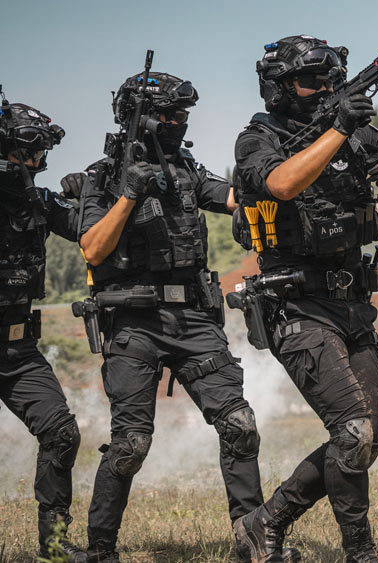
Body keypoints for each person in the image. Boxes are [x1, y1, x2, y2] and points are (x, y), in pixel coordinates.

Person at [230, 35, 378, 562]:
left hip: (353, 308)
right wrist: (339, 127)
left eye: (330, 81)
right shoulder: (259, 137)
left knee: (363, 440)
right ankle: (359, 552)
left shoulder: (354, 133)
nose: (323, 89)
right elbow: (280, 184)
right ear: (279, 88)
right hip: (295, 305)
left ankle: (265, 522)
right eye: (309, 81)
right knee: (351, 431)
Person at [74, 71, 266, 562]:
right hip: (132, 324)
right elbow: (93, 249)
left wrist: (261, 187)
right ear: (140, 118)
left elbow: (233, 197)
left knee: (240, 426)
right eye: (171, 115)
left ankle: (256, 545)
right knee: (130, 444)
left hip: (194, 320)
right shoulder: (101, 177)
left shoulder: (184, 168)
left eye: (184, 115)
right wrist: (129, 194)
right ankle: (99, 551)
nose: (179, 122)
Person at [0, 96, 85, 557]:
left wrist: (96, 190)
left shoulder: (38, 200)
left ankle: (53, 545)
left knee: (61, 434)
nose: (33, 164)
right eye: (24, 154)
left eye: (39, 157)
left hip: (17, 349)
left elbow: (87, 233)